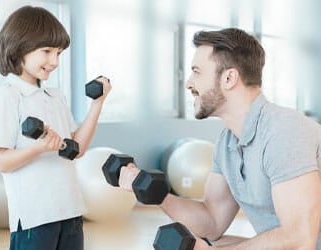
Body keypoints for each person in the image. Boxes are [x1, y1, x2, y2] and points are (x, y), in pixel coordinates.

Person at [118, 28, 321, 249]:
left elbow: (300, 239)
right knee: (210, 241)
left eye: (197, 72)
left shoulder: (283, 131)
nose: (188, 83)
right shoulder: (228, 142)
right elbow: (212, 221)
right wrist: (157, 195)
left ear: (229, 78)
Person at [0, 6, 111, 250]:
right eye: (47, 51)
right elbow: (2, 161)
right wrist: (39, 148)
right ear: (19, 46)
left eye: (59, 53)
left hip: (70, 210)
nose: (54, 61)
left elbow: (76, 149)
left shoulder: (55, 96)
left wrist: (98, 103)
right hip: (35, 217)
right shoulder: (8, 96)